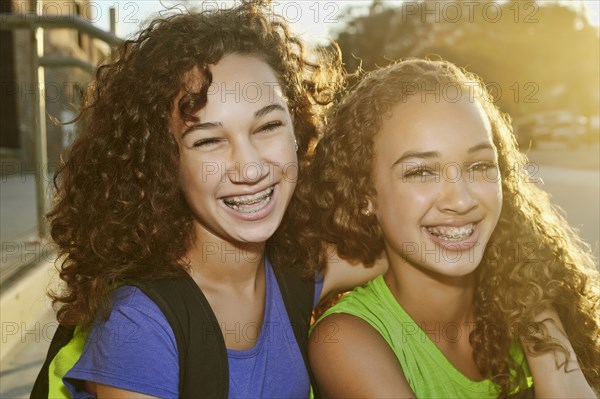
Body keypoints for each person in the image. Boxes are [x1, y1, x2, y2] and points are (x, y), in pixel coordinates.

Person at [44, 2, 384, 398]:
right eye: (208, 140)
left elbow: (412, 243)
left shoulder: (296, 271)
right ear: (164, 164)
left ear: (299, 129)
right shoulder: (138, 327)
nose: (250, 167)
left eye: (268, 125)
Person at [308, 59, 600, 398]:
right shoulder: (345, 339)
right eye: (420, 172)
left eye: (479, 166)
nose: (461, 200)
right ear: (365, 195)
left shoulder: (527, 298)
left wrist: (539, 311)